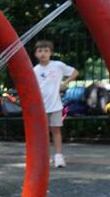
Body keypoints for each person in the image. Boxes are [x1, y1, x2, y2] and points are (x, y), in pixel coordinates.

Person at [33, 40, 78, 168]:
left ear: (51, 53)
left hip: (55, 105)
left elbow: (74, 72)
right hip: (41, 106)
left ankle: (58, 155)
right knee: (42, 133)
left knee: (56, 130)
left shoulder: (58, 65)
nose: (43, 54)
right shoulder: (34, 70)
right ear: (36, 53)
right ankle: (44, 157)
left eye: (46, 51)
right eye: (40, 51)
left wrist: (64, 84)